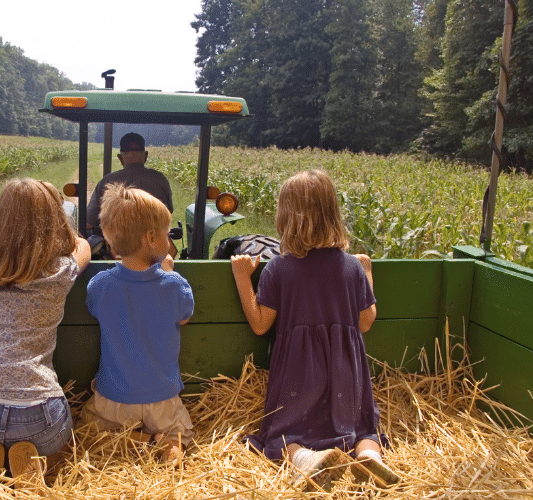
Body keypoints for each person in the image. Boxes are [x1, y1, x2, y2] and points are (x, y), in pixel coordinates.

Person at [230, 170, 399, 491]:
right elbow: (366, 321)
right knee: (362, 428)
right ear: (333, 214)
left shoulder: (279, 269)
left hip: (298, 372)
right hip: (346, 371)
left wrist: (241, 278)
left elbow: (260, 323)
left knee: (283, 432)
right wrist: (367, 271)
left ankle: (305, 459)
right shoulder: (351, 266)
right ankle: (369, 457)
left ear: (284, 217)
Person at [0, 178, 91, 486]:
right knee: (64, 447)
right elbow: (83, 246)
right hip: (42, 416)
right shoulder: (61, 271)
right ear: (56, 221)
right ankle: (33, 466)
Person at [82, 183, 195, 466]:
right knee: (181, 431)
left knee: (89, 424)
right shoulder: (174, 285)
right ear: (152, 238)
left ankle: (138, 440)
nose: (169, 241)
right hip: (162, 400)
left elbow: (96, 309)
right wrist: (169, 272)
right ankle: (168, 444)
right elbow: (184, 317)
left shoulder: (100, 285)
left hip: (115, 399)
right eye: (167, 235)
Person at [85, 132, 173, 232]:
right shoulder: (160, 178)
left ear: (120, 158)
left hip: (117, 243)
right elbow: (169, 210)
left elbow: (89, 221)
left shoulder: (107, 181)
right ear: (145, 156)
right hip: (155, 241)